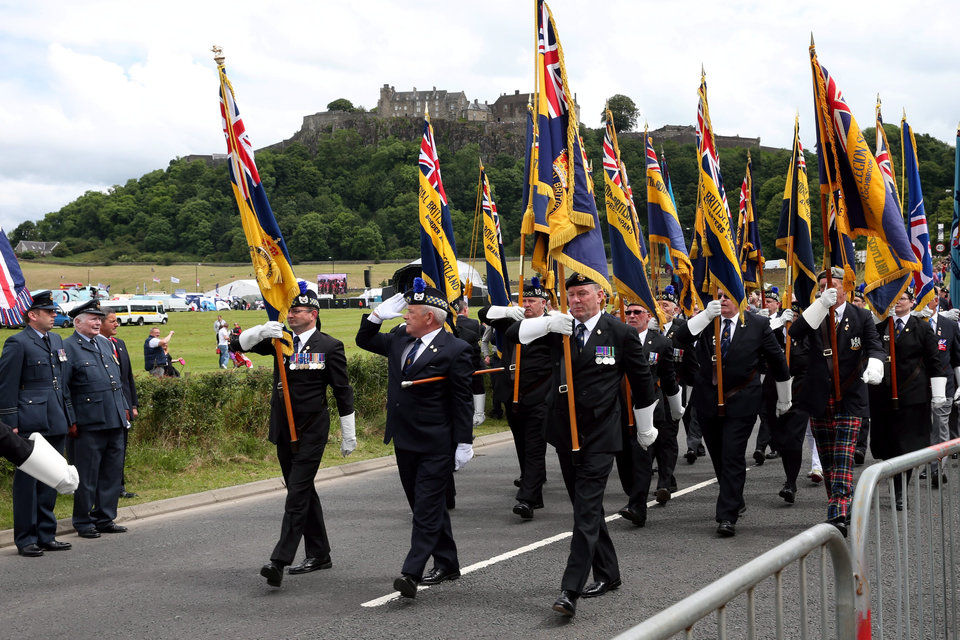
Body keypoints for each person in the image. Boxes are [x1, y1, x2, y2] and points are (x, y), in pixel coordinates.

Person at [516, 273, 657, 617]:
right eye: (571, 295)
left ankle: (570, 589)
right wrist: (548, 324)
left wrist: (646, 428)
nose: (576, 300)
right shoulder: (559, 329)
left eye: (582, 294)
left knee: (585, 511)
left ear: (601, 298)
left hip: (599, 434)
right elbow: (514, 333)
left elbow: (642, 384)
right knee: (586, 508)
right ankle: (609, 573)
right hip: (565, 433)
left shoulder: (620, 333)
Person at [356, 278, 473, 599]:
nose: (405, 316)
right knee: (425, 505)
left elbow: (461, 400)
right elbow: (363, 340)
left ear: (430, 317)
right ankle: (448, 562)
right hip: (404, 439)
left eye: (411, 311)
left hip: (437, 441)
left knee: (424, 508)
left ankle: (412, 571)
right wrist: (377, 316)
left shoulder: (456, 349)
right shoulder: (398, 339)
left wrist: (464, 441)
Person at [233, 286, 356, 588]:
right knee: (302, 491)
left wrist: (348, 433)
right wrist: (262, 330)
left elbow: (342, 391)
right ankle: (320, 553)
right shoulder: (280, 341)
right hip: (284, 429)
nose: (290, 314)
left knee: (296, 493)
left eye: (297, 311)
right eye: (290, 310)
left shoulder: (329, 346)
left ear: (313, 314)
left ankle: (279, 560)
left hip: (312, 429)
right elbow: (239, 345)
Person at [675, 289, 791, 538]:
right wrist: (705, 315)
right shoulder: (705, 321)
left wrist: (784, 397)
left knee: (732, 455)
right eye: (718, 295)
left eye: (728, 295)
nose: (722, 299)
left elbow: (777, 360)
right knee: (718, 455)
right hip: (707, 400)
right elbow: (680, 338)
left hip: (742, 400)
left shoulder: (757, 324)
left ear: (739, 298)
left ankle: (727, 516)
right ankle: (734, 498)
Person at [789, 267, 885, 535]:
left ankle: (837, 509)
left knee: (843, 456)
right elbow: (794, 333)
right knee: (829, 458)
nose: (826, 289)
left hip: (851, 395)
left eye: (832, 284)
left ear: (847, 288)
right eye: (821, 286)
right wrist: (820, 304)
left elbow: (874, 344)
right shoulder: (816, 312)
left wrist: (876, 363)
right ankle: (842, 503)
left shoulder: (861, 316)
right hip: (820, 394)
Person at [0, 291, 75, 557]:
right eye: (49, 312)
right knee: (28, 481)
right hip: (30, 419)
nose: (54, 315)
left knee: (51, 478)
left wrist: (69, 415)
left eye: (54, 311)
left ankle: (46, 534)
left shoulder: (55, 339)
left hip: (55, 416)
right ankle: (26, 538)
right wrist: (10, 422)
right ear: (33, 315)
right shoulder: (17, 342)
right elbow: (6, 385)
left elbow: (61, 382)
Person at [480, 277, 551, 519]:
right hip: (512, 396)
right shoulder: (512, 321)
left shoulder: (551, 326)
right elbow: (483, 313)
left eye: (532, 301)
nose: (527, 305)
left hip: (540, 396)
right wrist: (510, 310)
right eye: (524, 300)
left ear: (544, 303)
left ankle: (527, 500)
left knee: (534, 446)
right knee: (522, 445)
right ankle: (533, 488)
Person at [868, 288, 946, 508]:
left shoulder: (922, 328)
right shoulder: (879, 328)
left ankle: (901, 490)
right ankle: (894, 480)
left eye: (902, 298)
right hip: (883, 396)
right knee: (887, 444)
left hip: (913, 396)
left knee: (907, 446)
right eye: (895, 298)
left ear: (912, 302)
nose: (897, 303)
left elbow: (934, 361)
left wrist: (938, 392)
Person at [64, 299, 130, 539]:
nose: (97, 322)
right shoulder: (68, 348)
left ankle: (105, 517)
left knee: (111, 472)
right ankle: (83, 521)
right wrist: (70, 420)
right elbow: (64, 389)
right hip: (87, 423)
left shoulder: (103, 344)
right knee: (86, 474)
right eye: (92, 319)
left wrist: (123, 409)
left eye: (98, 318)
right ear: (77, 322)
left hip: (113, 419)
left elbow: (116, 382)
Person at [614, 301, 682, 527]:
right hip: (620, 408)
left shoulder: (661, 342)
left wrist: (676, 405)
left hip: (649, 409)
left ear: (648, 316)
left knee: (643, 458)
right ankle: (633, 494)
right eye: (628, 312)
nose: (631, 316)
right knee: (623, 460)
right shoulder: (616, 339)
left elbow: (669, 377)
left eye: (637, 312)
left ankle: (637, 507)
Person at [920, 285, 960, 486]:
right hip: (919, 384)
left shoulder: (949, 325)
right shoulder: (914, 324)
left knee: (941, 426)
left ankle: (937, 468)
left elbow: (957, 358)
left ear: (936, 301)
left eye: (928, 297)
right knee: (924, 427)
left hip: (945, 384)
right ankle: (925, 463)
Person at [658, 286, 703, 464]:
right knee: (665, 420)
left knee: (688, 413)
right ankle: (663, 455)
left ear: (676, 309)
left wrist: (698, 379)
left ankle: (693, 445)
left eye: (666, 305)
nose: (661, 309)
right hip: (657, 381)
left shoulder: (682, 327)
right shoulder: (650, 327)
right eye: (658, 305)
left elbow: (691, 355)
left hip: (681, 377)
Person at [99, 311, 139, 499]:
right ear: (100, 323)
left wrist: (133, 405)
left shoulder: (119, 344)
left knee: (120, 449)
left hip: (123, 407)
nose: (117, 325)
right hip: (105, 408)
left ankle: (119, 486)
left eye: (117, 321)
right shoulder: (96, 345)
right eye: (112, 321)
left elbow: (128, 378)